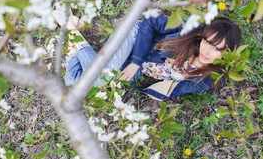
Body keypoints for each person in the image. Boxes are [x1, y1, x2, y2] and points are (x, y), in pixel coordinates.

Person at [59, 13, 242, 101]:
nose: (207, 51)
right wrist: (135, 61)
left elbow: (171, 89)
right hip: (137, 40)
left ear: (227, 52)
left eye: (217, 49)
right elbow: (149, 22)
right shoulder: (190, 29)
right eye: (207, 42)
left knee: (77, 86)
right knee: (103, 77)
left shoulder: (207, 80)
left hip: (141, 69)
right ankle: (70, 28)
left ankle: (74, 33)